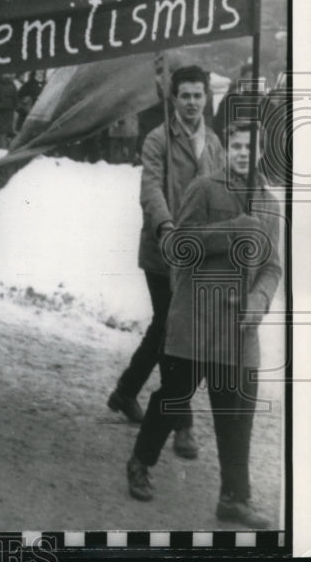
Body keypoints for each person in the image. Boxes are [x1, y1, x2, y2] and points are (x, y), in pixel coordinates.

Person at [126, 123, 281, 528]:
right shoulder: (203, 187)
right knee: (174, 398)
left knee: (238, 412)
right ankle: (140, 462)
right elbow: (180, 245)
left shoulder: (268, 203)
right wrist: (233, 231)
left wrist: (259, 299)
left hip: (239, 326)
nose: (243, 153)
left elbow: (272, 267)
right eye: (236, 145)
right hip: (195, 318)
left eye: (251, 146)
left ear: (262, 151)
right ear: (226, 149)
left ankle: (234, 497)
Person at [108, 65, 224, 461]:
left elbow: (222, 192)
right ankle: (183, 424)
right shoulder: (158, 139)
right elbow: (151, 188)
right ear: (173, 99)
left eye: (198, 95)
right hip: (163, 254)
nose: (192, 103)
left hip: (200, 256)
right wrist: (168, 228)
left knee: (164, 331)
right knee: (177, 334)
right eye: (185, 95)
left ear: (207, 98)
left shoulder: (214, 145)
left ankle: (125, 392)